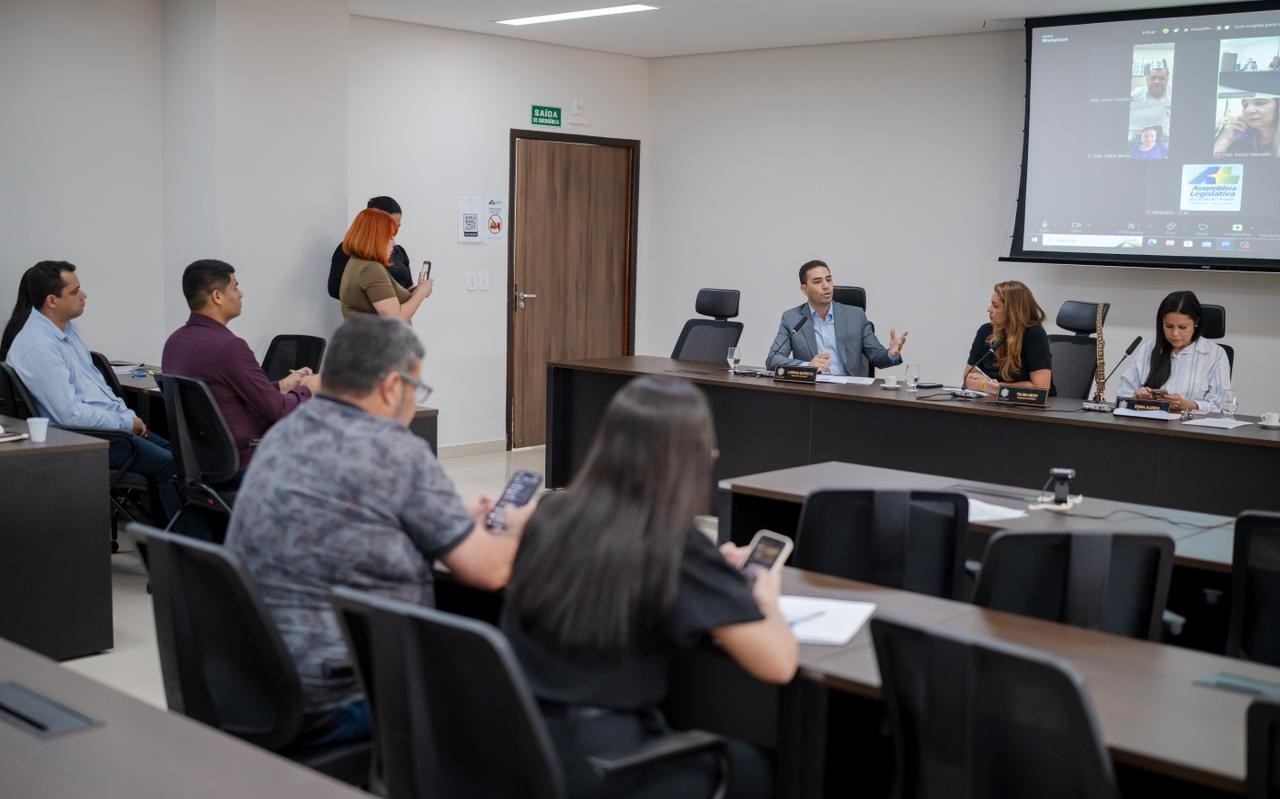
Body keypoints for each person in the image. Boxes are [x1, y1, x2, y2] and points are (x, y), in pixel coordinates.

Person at [225, 315, 529, 746]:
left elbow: (350, 509)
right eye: (415, 388)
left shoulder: (286, 431)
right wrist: (517, 524)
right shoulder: (394, 450)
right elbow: (490, 570)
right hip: (342, 695)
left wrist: (450, 511)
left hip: (255, 680)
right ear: (391, 385)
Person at [502, 375, 797, 799]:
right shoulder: (673, 542)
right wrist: (764, 598)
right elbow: (779, 663)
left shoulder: (550, 513)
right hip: (600, 765)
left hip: (515, 745)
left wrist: (712, 571)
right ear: (691, 460)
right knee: (755, 766)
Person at [2, 261, 176, 516]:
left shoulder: (67, 330)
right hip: (85, 437)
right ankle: (176, 548)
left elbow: (96, 386)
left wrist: (126, 416)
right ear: (52, 300)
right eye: (74, 292)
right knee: (170, 465)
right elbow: (69, 415)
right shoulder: (39, 348)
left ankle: (183, 541)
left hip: (109, 427)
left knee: (179, 455)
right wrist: (125, 423)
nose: (83, 296)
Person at [162, 259, 321, 467]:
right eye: (235, 287)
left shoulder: (174, 342)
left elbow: (224, 395)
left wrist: (281, 386)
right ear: (217, 296)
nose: (241, 294)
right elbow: (278, 410)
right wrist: (308, 389)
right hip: (248, 456)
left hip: (202, 459)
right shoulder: (230, 348)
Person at [765, 260, 907, 375]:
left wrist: (891, 354)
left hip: (851, 393)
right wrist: (808, 366)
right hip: (813, 392)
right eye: (817, 281)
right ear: (804, 289)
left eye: (828, 279)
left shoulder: (855, 316)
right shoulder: (792, 318)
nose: (826, 286)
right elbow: (773, 360)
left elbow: (877, 357)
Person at [1117, 290, 1231, 413]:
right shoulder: (1148, 349)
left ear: (1196, 322)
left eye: (1182, 327)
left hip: (1189, 428)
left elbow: (1222, 405)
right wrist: (1135, 395)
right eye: (1169, 326)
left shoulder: (1215, 354)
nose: (1175, 333)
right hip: (1148, 424)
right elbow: (1122, 393)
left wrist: (1187, 404)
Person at [337, 208, 433, 320]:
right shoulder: (371, 269)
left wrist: (416, 291)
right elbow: (396, 319)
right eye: (389, 237)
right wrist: (421, 293)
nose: (394, 243)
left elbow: (384, 298)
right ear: (374, 239)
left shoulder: (357, 262)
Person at [962, 280, 1054, 396]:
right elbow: (967, 378)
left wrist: (1000, 388)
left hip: (1029, 409)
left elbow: (1041, 388)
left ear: (1012, 311)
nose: (989, 309)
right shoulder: (985, 331)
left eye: (995, 306)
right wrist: (985, 385)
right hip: (991, 404)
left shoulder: (1035, 335)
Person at [327, 196, 414, 298]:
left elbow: (407, 288)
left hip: (396, 312)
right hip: (371, 313)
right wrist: (378, 300)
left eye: (397, 227)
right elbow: (335, 289)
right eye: (390, 227)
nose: (394, 233)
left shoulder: (398, 251)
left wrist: (418, 292)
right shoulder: (351, 250)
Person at [1213, 97, 1278, 157]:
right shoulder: (1242, 138)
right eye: (1245, 105)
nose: (1248, 110)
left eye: (1260, 103)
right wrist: (1225, 139)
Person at [1129, 61, 1172, 139]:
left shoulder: (1174, 94)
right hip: (1135, 137)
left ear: (1167, 80)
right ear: (1147, 80)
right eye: (1153, 78)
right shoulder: (1135, 95)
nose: (1157, 81)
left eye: (1161, 78)